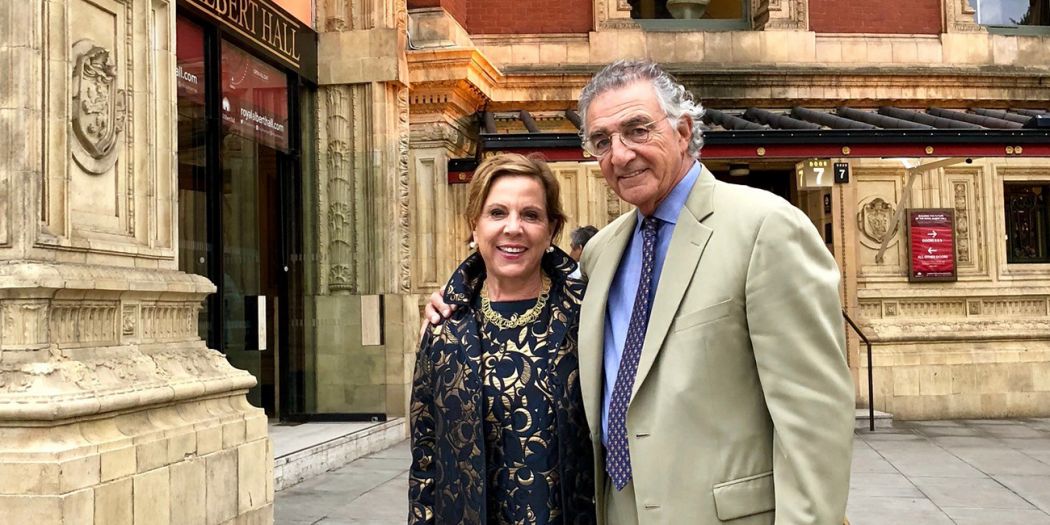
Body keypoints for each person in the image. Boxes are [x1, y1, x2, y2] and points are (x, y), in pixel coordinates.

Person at [425, 60, 854, 525]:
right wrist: (458, 294)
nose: (621, 154)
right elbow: (525, 285)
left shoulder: (765, 226)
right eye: (603, 141)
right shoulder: (602, 253)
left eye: (637, 129)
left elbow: (815, 417)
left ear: (684, 131)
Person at [408, 153, 596, 525]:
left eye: (530, 215)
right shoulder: (446, 324)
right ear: (474, 225)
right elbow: (426, 456)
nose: (513, 228)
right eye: (497, 213)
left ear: (551, 229)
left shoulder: (588, 314)